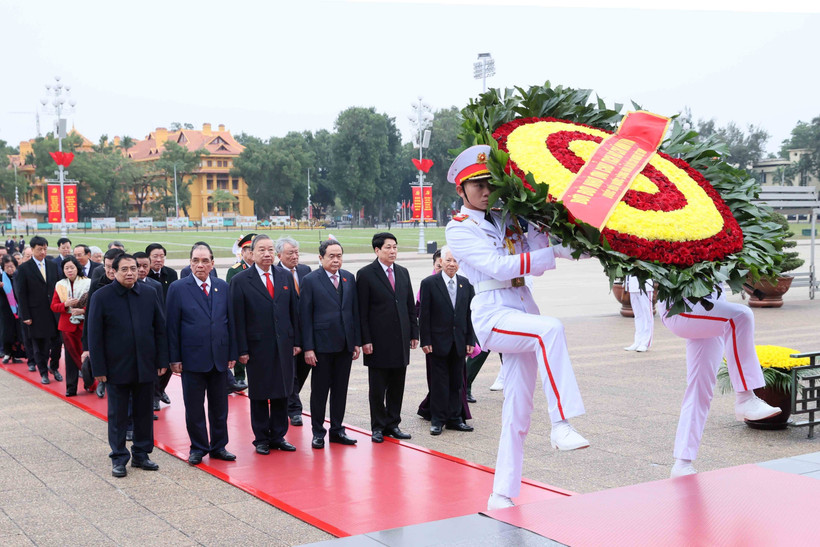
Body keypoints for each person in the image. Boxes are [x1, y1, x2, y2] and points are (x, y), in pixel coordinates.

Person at [445, 145, 590, 511]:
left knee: (518, 408)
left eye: (489, 183)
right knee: (550, 330)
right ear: (460, 190)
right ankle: (561, 423)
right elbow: (498, 266)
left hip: (522, 305)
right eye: (476, 184)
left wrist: (589, 243)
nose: (484, 190)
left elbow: (543, 251)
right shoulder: (459, 228)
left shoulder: (509, 217)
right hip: (492, 312)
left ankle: (502, 493)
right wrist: (551, 254)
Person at [659, 287, 781, 478]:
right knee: (740, 316)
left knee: (701, 387)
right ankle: (745, 397)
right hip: (680, 307)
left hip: (712, 308)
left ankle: (682, 463)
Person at [89, 253, 168, 477]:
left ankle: (142, 454)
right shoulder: (102, 296)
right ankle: (119, 457)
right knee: (118, 415)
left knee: (144, 412)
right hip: (116, 367)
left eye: (133, 268)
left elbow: (160, 329)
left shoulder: (149, 293)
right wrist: (99, 369)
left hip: (145, 364)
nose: (131, 273)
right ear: (114, 272)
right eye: (124, 269)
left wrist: (162, 360)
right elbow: (94, 335)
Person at [167, 243, 238, 465]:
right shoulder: (178, 288)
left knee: (220, 407)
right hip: (191, 359)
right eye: (196, 261)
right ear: (190, 263)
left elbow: (231, 323)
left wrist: (232, 353)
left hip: (219, 358)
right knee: (194, 408)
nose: (200, 265)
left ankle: (219, 446)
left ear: (212, 263)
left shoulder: (222, 287)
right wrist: (174, 358)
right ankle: (198, 447)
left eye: (205, 261)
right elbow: (172, 326)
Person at [231, 234, 301, 454]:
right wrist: (241, 350)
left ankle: (279, 435)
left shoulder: (284, 276)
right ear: (252, 252)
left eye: (270, 249)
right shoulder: (241, 280)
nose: (267, 254)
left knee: (282, 391)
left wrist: (297, 341)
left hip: (284, 345)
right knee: (260, 393)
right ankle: (261, 438)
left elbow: (293, 312)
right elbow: (237, 319)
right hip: (256, 347)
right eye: (262, 250)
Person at [356, 232, 419, 443]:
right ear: (377, 250)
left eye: (395, 247)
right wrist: (365, 340)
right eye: (388, 248)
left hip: (401, 340)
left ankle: (393, 424)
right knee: (377, 388)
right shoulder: (365, 274)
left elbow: (410, 305)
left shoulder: (403, 272)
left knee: (397, 385)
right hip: (377, 342)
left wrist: (413, 332)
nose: (393, 251)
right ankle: (378, 426)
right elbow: (361, 312)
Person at [299, 239, 360, 449]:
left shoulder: (348, 278)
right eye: (331, 256)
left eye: (339, 256)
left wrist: (356, 342)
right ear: (321, 258)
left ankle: (337, 429)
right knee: (320, 391)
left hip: (344, 345)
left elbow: (354, 312)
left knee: (340, 390)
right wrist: (308, 347)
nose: (336, 260)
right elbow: (304, 316)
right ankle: (318, 432)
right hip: (321, 346)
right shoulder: (310, 280)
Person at [419, 246, 476, 435]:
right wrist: (425, 340)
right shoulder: (429, 283)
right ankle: (437, 420)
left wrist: (470, 340)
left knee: (456, 382)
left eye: (455, 261)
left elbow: (469, 315)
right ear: (441, 262)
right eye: (448, 260)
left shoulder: (466, 285)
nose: (452, 264)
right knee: (438, 383)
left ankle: (454, 418)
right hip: (437, 342)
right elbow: (424, 314)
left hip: (459, 342)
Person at [15, 236, 63, 385]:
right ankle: (43, 372)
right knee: (40, 346)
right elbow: (21, 294)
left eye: (45, 249)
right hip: (35, 313)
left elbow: (58, 288)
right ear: (32, 249)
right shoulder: (24, 268)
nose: (43, 252)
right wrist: (25, 315)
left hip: (54, 312)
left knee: (57, 343)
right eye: (39, 249)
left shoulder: (53, 265)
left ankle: (53, 367)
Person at [276, 236, 311, 427]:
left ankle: (290, 398)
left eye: (297, 252)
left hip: (305, 329)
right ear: (279, 254)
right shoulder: (276, 273)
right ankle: (294, 409)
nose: (295, 256)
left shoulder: (305, 270)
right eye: (291, 253)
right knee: (291, 373)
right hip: (287, 331)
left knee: (303, 370)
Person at [82, 248, 125, 398]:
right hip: (105, 335)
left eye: (113, 267)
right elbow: (89, 317)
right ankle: (102, 382)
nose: (110, 271)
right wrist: (86, 347)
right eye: (106, 266)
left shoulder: (131, 283)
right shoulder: (97, 285)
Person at [50, 256, 92, 396]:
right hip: (67, 327)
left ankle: (89, 383)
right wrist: (65, 305)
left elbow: (94, 305)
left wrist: (82, 310)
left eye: (72, 267)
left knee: (86, 356)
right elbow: (54, 306)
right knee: (70, 359)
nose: (69, 270)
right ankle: (71, 387)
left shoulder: (88, 283)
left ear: (77, 268)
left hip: (84, 325)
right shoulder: (60, 285)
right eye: (66, 268)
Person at [146, 243, 178, 410]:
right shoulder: (144, 275)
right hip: (152, 325)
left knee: (169, 360)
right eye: (155, 256)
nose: (159, 260)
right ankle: (154, 396)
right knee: (154, 363)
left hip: (169, 323)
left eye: (161, 256)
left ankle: (161, 389)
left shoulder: (171, 274)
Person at [0, 255, 24, 363]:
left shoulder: (20, 276)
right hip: (6, 309)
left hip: (19, 309)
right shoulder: (1, 278)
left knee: (18, 332)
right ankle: (7, 353)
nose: (10, 269)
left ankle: (16, 355)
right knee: (6, 332)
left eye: (12, 266)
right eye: (7, 267)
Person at [624, 275, 654, 352]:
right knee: (638, 315)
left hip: (646, 285)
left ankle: (645, 343)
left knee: (647, 315)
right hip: (632, 285)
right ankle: (637, 341)